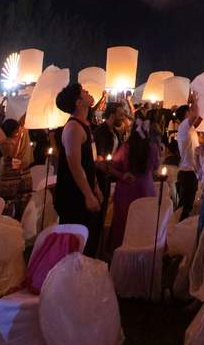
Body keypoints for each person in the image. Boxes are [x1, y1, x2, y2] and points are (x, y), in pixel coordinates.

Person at [52, 84, 102, 255]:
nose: (89, 93)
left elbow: (88, 162)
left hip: (84, 191)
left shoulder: (84, 124)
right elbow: (75, 165)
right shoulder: (73, 128)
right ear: (79, 102)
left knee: (87, 242)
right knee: (75, 246)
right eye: (84, 92)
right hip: (73, 196)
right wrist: (88, 195)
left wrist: (94, 186)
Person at [105, 108, 160, 252]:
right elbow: (156, 167)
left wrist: (121, 174)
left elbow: (112, 167)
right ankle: (142, 254)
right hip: (146, 189)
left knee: (124, 223)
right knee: (143, 223)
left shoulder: (125, 147)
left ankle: (121, 254)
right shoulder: (153, 147)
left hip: (126, 190)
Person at [175, 101, 200, 220]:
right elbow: (195, 115)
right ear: (186, 114)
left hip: (191, 171)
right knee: (185, 207)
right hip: (187, 172)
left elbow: (201, 140)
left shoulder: (190, 129)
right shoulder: (184, 126)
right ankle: (175, 231)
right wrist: (196, 99)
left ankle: (176, 229)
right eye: (190, 111)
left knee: (186, 205)